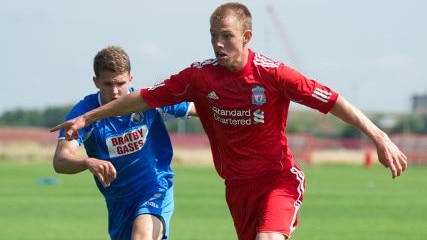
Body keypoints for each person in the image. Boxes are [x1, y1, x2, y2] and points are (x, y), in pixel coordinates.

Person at [50, 3, 408, 240]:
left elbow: (331, 100)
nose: (218, 44)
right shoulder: (198, 78)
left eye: (226, 36)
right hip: (236, 188)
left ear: (246, 38)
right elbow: (144, 97)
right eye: (213, 36)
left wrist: (379, 136)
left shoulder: (275, 75)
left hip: (277, 179)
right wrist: (86, 119)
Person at [51, 46, 195, 240]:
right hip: (119, 201)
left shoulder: (148, 100)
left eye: (121, 83)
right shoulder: (84, 113)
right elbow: (60, 161)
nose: (116, 91)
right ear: (96, 82)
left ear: (131, 79)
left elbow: (200, 108)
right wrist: (86, 162)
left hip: (155, 187)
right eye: (108, 84)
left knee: (141, 235)